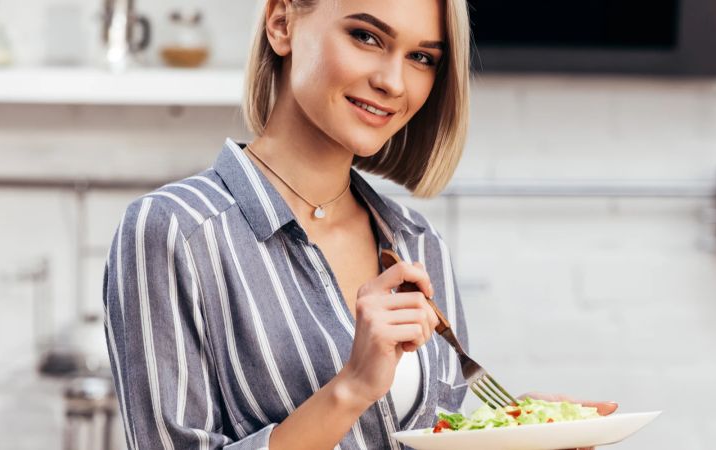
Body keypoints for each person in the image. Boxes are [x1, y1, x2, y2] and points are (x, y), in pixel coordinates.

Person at [102, 0, 617, 448]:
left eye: (422, 58)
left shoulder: (417, 242)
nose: (393, 82)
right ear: (281, 23)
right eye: (367, 36)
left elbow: (437, 432)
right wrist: (350, 388)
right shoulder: (175, 231)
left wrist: (514, 434)